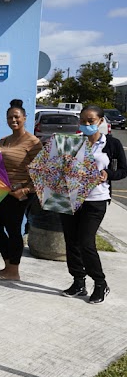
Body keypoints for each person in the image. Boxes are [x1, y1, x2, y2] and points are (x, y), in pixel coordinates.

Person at [60, 105, 127, 304]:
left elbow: (123, 170)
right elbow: (63, 168)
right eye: (83, 121)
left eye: (91, 120)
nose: (87, 124)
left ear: (100, 121)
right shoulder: (74, 144)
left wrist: (108, 174)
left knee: (86, 242)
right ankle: (78, 282)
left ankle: (100, 283)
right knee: (71, 241)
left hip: (96, 200)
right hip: (71, 198)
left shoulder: (111, 144)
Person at [0, 100, 42, 281]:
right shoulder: (3, 140)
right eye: (10, 117)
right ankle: (7, 265)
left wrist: (26, 190)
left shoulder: (33, 143)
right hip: (1, 192)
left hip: (19, 194)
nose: (13, 120)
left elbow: (43, 174)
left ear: (25, 118)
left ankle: (13, 271)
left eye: (17, 116)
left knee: (13, 229)